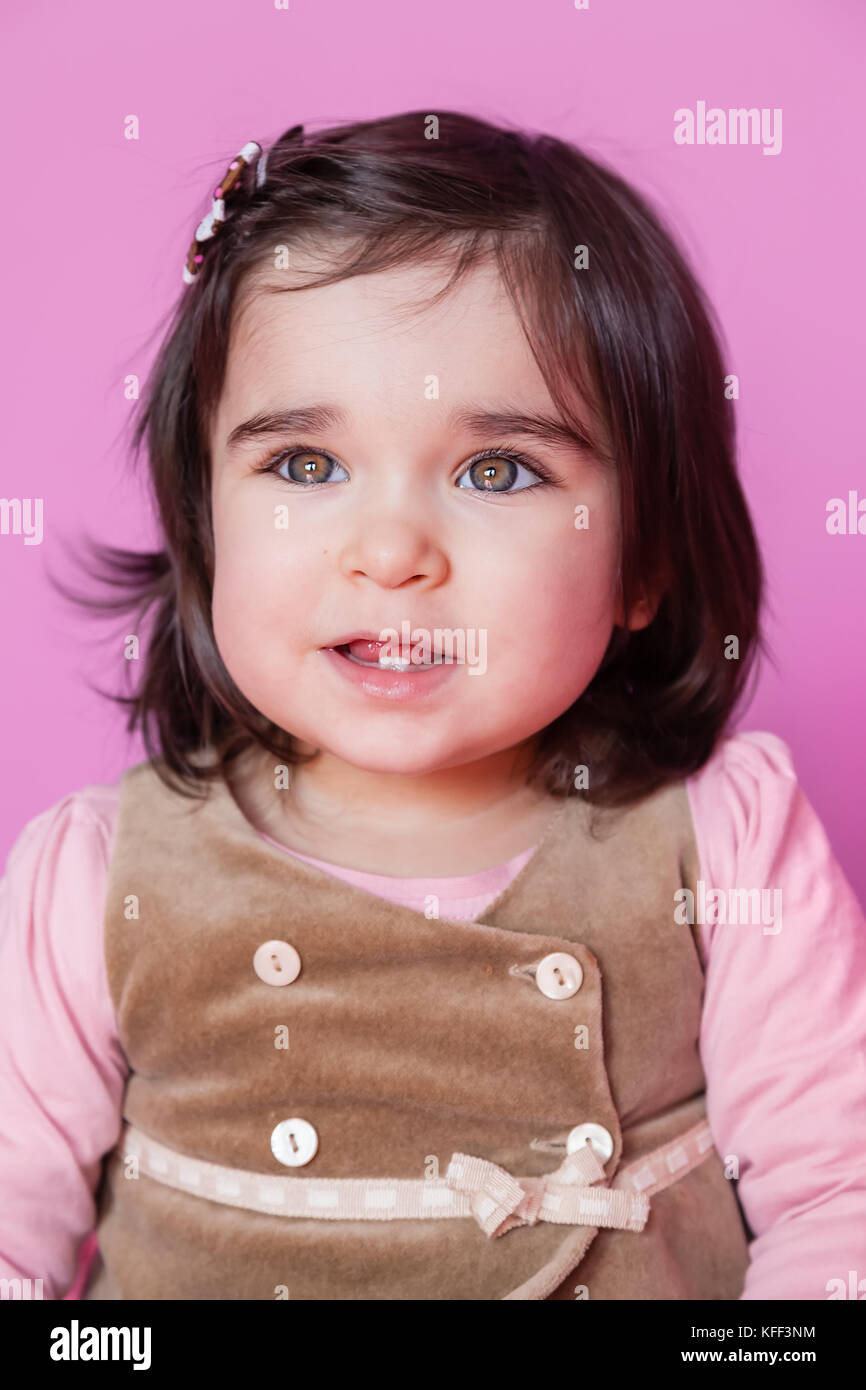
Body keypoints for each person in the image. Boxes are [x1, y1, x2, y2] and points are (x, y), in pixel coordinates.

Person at [1, 111, 864, 1301]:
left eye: (496, 471)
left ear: (643, 559)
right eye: (305, 465)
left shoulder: (721, 842)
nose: (392, 549)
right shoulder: (97, 879)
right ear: (205, 517)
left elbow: (838, 1205)